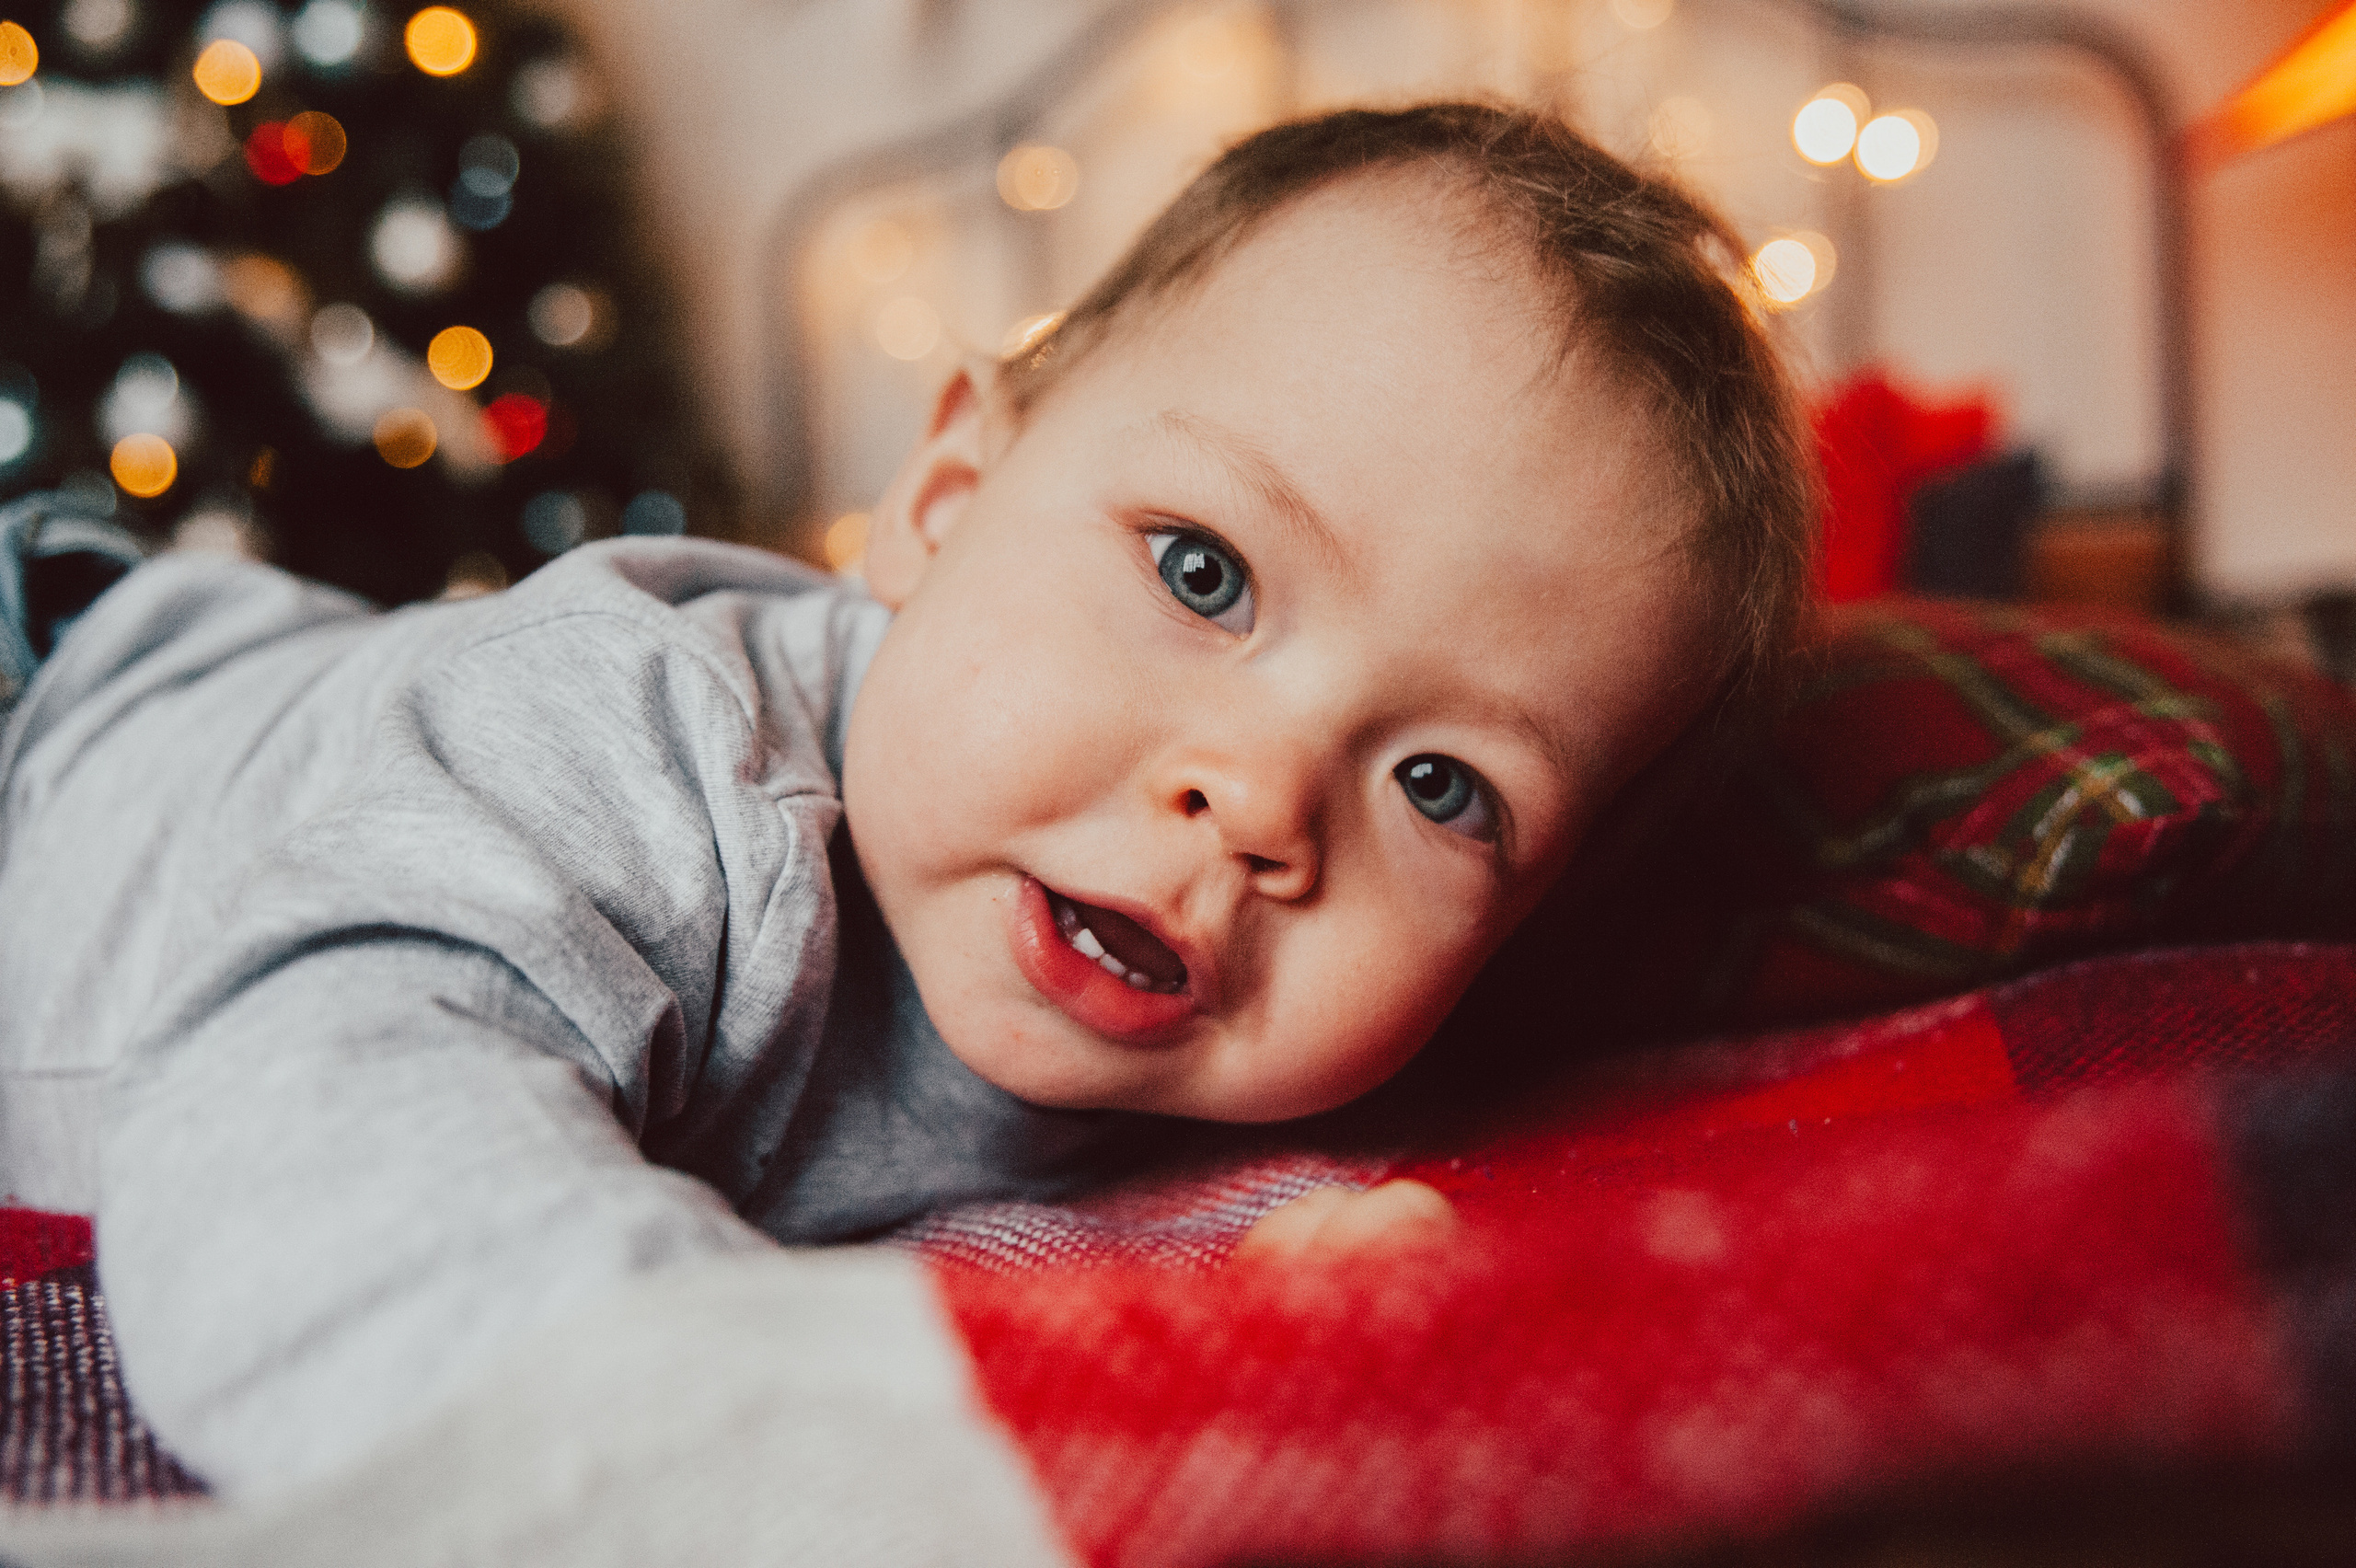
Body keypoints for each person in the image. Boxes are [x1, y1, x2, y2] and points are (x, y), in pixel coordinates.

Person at [0, 102, 1814, 1509]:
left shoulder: (1195, 1050)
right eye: (1199, 573)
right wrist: (785, 1448)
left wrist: (1291, 1306)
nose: (1256, 802)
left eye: (1442, 788)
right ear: (946, 494)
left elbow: (1078, 1249)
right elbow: (312, 1168)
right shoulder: (639, 750)